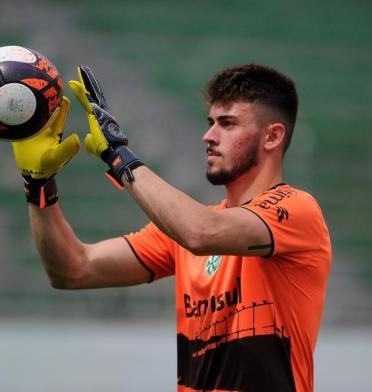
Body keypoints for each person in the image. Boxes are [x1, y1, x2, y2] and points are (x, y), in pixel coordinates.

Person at [12, 63, 331, 392]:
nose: (209, 136)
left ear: (273, 136)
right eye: (210, 123)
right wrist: (38, 186)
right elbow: (72, 269)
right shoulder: (180, 230)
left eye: (227, 123)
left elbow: (201, 233)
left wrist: (118, 154)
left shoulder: (296, 210)